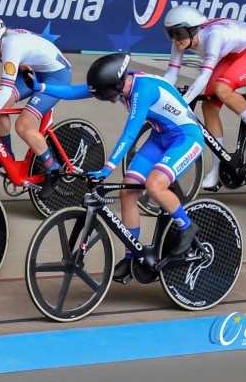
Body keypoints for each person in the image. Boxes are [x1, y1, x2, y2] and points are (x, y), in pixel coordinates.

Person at [27, 52, 204, 282]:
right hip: (162, 137)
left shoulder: (143, 90)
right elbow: (73, 92)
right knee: (128, 191)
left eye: (109, 94)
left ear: (120, 82)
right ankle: (133, 258)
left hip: (186, 138)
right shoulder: (118, 85)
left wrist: (107, 168)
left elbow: (130, 134)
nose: (109, 99)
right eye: (103, 95)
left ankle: (186, 226)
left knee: (154, 186)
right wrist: (39, 86)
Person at [0, 13, 73, 200]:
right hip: (31, 71)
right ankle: (6, 156)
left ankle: (53, 169)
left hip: (56, 77)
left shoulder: (12, 47)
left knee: (23, 126)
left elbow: (5, 88)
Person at [162, 5, 246, 190]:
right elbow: (171, 75)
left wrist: (182, 102)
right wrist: (159, 95)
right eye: (170, 33)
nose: (175, 39)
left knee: (221, 88)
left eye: (179, 33)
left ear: (193, 29)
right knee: (208, 105)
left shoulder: (214, 36)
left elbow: (204, 77)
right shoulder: (179, 41)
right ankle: (219, 165)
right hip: (230, 54)